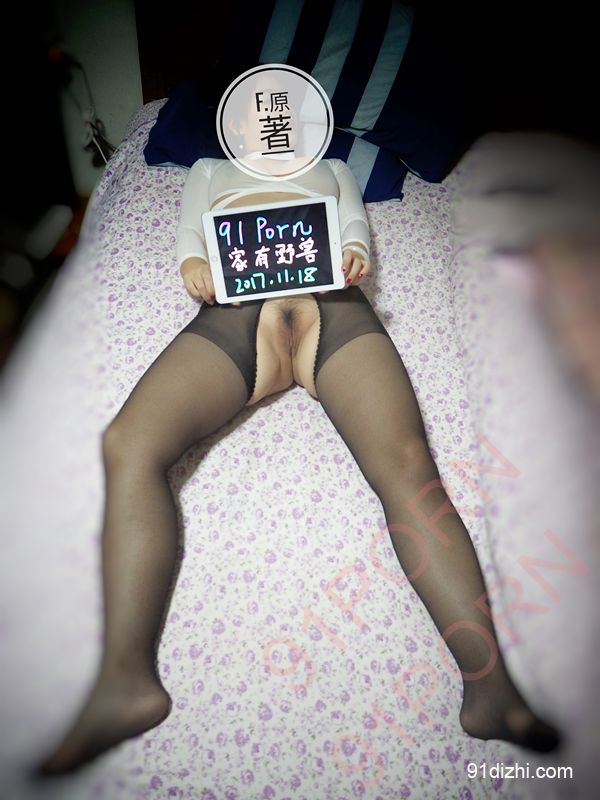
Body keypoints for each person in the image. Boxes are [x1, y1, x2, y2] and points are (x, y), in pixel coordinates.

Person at [34, 95, 562, 779]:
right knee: (125, 444)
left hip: (332, 309)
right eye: (256, 109)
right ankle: (123, 681)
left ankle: (492, 690)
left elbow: (354, 232)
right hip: (236, 311)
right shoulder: (209, 170)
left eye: (280, 108)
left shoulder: (332, 167)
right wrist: (195, 265)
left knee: (408, 466)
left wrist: (354, 254)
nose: (269, 119)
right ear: (233, 121)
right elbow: (192, 238)